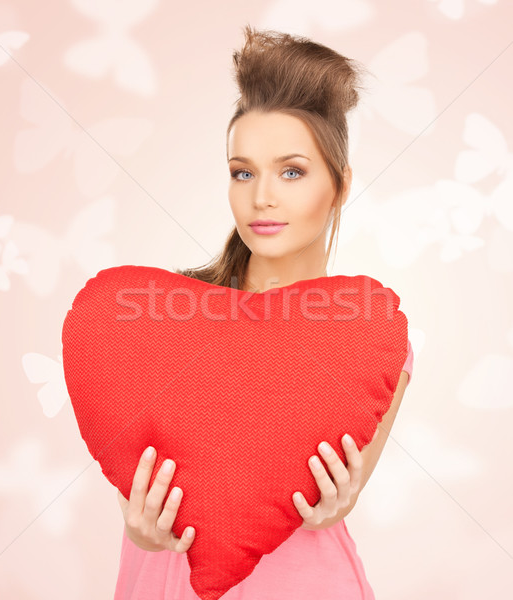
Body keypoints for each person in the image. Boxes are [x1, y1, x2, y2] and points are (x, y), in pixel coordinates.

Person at [114, 25, 414, 599]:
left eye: (293, 171)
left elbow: (328, 511)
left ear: (340, 186)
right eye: (243, 171)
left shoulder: (371, 343)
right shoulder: (163, 317)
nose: (262, 197)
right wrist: (143, 529)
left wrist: (333, 502)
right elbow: (133, 482)